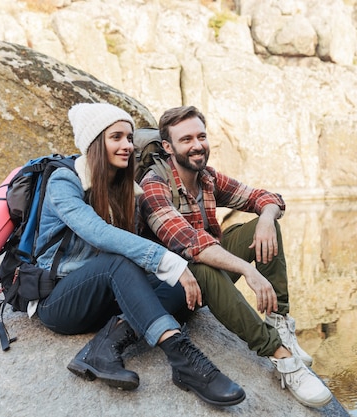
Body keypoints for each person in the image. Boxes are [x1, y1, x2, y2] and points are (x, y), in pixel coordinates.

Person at [33, 102, 245, 406]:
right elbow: (99, 234)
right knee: (118, 263)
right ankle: (185, 359)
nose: (127, 146)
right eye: (116, 137)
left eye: (130, 138)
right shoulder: (65, 182)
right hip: (61, 300)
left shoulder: (127, 189)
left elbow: (144, 249)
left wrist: (182, 269)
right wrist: (169, 263)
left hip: (105, 299)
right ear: (95, 142)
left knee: (185, 286)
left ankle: (103, 348)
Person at [138, 105, 332, 408]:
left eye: (201, 136)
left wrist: (267, 219)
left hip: (202, 270)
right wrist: (249, 271)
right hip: (170, 288)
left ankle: (279, 321)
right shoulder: (154, 185)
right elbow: (191, 244)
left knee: (260, 227)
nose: (197, 145)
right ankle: (281, 357)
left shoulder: (207, 178)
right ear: (168, 146)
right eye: (186, 139)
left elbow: (264, 198)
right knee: (202, 265)